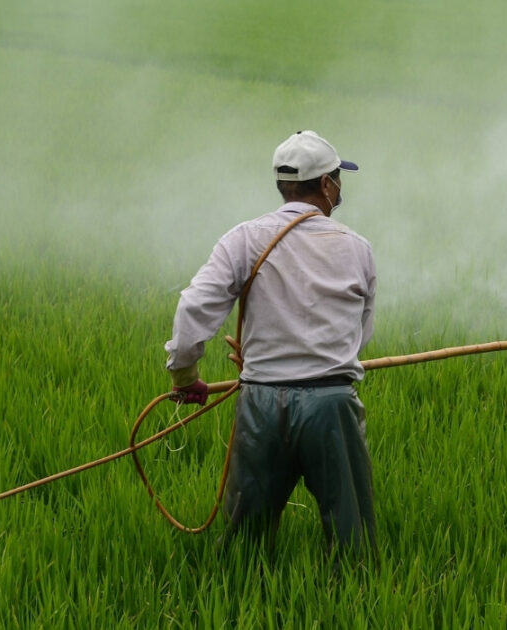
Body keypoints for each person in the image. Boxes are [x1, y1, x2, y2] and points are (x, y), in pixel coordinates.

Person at [164, 130, 377, 560]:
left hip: (261, 402)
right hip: (331, 404)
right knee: (353, 541)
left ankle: (240, 602)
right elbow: (360, 334)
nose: (339, 187)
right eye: (337, 178)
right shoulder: (356, 248)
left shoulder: (243, 238)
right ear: (325, 184)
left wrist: (186, 376)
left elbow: (193, 308)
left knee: (246, 545)